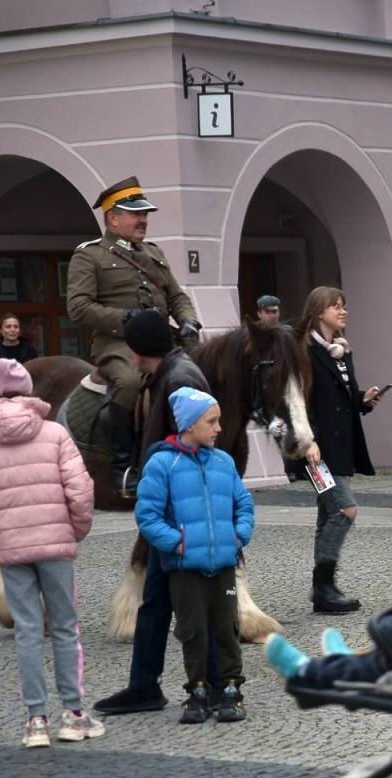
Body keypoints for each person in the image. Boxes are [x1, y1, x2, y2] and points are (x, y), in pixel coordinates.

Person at [0, 359, 97, 749]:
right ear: (29, 389)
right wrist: (74, 532)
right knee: (67, 628)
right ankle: (73, 715)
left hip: (12, 550)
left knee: (28, 632)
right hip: (57, 547)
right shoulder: (55, 434)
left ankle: (36, 721)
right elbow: (81, 492)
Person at [92, 310, 215, 717]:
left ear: (136, 348)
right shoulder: (166, 373)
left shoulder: (179, 378)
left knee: (194, 604)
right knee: (156, 602)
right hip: (169, 509)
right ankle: (145, 686)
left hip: (180, 513)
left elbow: (198, 447)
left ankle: (214, 685)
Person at [67, 176, 202, 489]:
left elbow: (177, 295)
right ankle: (124, 464)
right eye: (135, 213)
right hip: (119, 343)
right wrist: (126, 319)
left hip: (163, 340)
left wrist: (188, 320)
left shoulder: (153, 253)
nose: (143, 219)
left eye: (145, 214)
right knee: (128, 382)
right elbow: (79, 308)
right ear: (113, 217)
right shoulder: (90, 255)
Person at [134, 387, 255, 725]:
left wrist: (237, 536)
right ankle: (197, 692)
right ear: (189, 424)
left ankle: (231, 690)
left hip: (224, 565)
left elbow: (243, 504)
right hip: (185, 569)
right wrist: (178, 543)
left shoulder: (223, 461)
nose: (219, 428)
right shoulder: (162, 463)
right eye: (211, 421)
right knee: (193, 631)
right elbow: (147, 515)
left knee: (227, 628)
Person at [264, 500, 392, 685]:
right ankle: (347, 657)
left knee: (372, 665)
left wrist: (385, 624)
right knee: (381, 655)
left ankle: (306, 671)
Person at [286, 286, 386, 614]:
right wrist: (307, 440)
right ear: (318, 312)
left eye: (344, 306)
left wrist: (362, 399)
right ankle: (324, 587)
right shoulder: (304, 351)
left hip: (338, 445)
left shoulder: (339, 349)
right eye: (335, 307)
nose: (342, 311)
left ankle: (323, 591)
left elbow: (338, 397)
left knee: (328, 514)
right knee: (345, 510)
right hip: (317, 449)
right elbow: (298, 400)